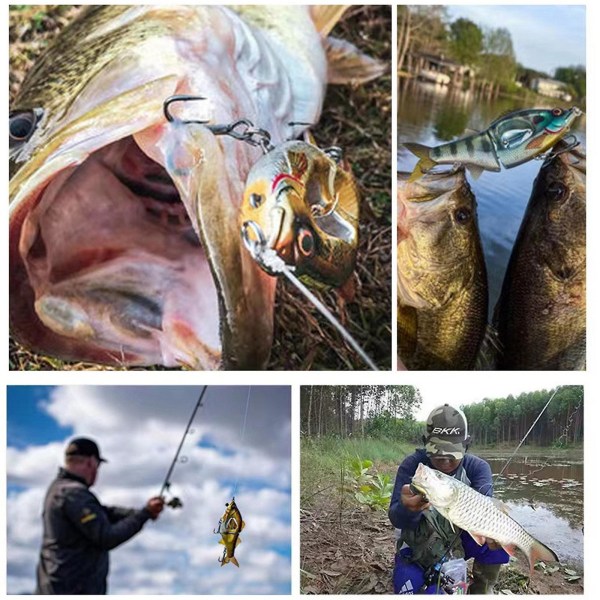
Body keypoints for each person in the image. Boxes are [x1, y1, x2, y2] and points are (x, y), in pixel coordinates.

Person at [388, 404, 509, 595]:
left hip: (458, 539)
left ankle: (482, 590)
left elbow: (486, 514)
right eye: (437, 453)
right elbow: (396, 518)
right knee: (408, 589)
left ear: (466, 445)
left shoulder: (478, 468)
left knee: (499, 539)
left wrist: (492, 535)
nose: (444, 461)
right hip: (417, 544)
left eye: (451, 454)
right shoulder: (413, 466)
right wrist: (407, 509)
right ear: (425, 443)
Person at [36, 437, 165, 594]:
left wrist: (140, 512)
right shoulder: (74, 493)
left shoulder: (59, 489)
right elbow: (106, 537)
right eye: (98, 466)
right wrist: (144, 514)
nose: (97, 472)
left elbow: (103, 512)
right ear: (91, 462)